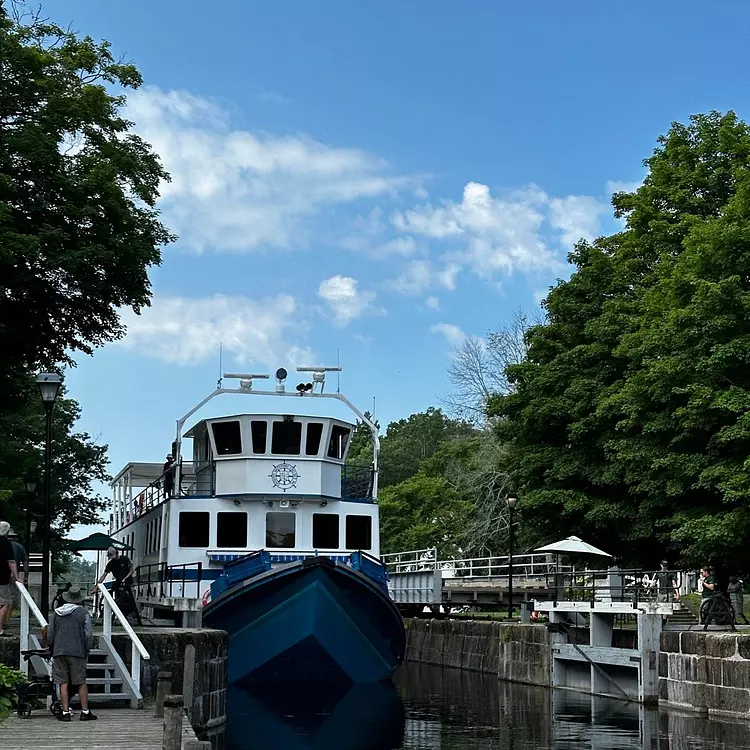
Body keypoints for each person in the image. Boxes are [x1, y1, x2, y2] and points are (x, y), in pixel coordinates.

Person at [47, 585, 96, 722]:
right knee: (81, 682)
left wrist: (52, 647)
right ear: (79, 599)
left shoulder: (56, 613)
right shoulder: (83, 613)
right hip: (77, 651)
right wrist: (87, 649)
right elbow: (88, 635)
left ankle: (65, 712)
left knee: (63, 682)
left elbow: (50, 635)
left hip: (59, 652)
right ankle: (85, 711)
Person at [0, 521, 19, 637]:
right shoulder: (6, 543)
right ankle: (0, 628)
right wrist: (16, 576)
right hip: (1, 578)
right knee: (5, 602)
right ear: (6, 531)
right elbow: (11, 561)